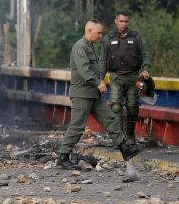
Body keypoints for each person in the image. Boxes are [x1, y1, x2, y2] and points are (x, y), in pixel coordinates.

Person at [57, 20, 141, 170]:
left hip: (94, 94)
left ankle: (125, 149)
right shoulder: (80, 47)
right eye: (99, 33)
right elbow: (84, 71)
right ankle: (63, 157)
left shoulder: (90, 47)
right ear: (89, 31)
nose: (101, 36)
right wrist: (98, 82)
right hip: (82, 94)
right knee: (77, 126)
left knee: (110, 119)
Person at [101, 11, 151, 144]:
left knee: (132, 107)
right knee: (116, 107)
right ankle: (119, 138)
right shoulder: (108, 38)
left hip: (133, 77)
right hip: (116, 77)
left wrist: (145, 69)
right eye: (121, 21)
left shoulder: (136, 37)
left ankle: (130, 134)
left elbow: (145, 54)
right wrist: (100, 78)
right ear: (115, 21)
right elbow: (103, 60)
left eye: (126, 21)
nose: (124, 24)